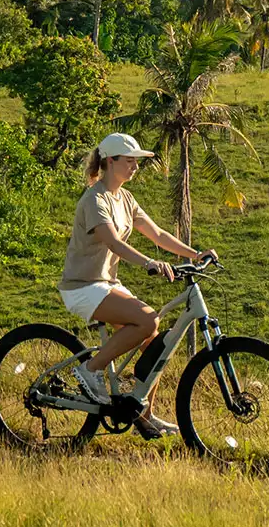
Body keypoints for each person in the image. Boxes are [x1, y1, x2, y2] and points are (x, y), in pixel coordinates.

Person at [58, 132, 216, 440]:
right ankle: (90, 370)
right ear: (110, 161)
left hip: (107, 284)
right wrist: (149, 263)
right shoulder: (95, 199)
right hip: (83, 286)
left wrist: (195, 254)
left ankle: (144, 415)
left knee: (155, 346)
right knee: (148, 319)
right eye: (129, 161)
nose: (135, 166)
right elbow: (114, 243)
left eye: (136, 162)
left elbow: (157, 234)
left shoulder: (125, 198)